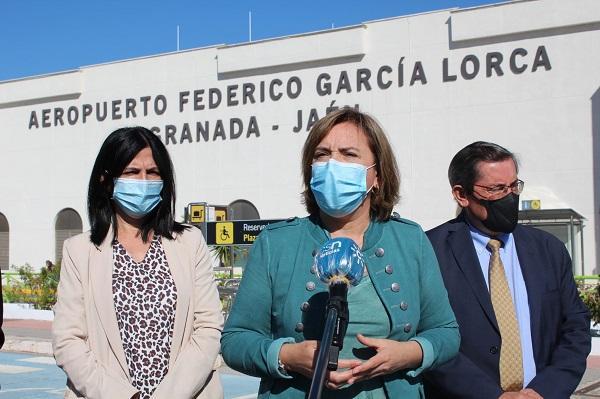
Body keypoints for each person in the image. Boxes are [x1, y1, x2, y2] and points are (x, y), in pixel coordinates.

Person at [221, 108, 460, 398]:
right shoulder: (276, 243)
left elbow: (446, 331)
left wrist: (409, 353)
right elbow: (235, 340)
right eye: (322, 154)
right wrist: (286, 355)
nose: (332, 163)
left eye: (348, 154)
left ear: (378, 177)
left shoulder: (410, 239)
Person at [52, 126, 223, 399]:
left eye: (153, 173)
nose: (144, 181)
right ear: (106, 180)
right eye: (132, 172)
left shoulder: (190, 243)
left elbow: (208, 328)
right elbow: (68, 340)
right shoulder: (79, 251)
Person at [424, 141, 591, 399]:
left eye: (514, 186)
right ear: (461, 195)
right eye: (496, 189)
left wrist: (544, 391)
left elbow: (575, 328)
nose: (509, 196)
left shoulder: (549, 250)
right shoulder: (429, 251)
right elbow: (428, 336)